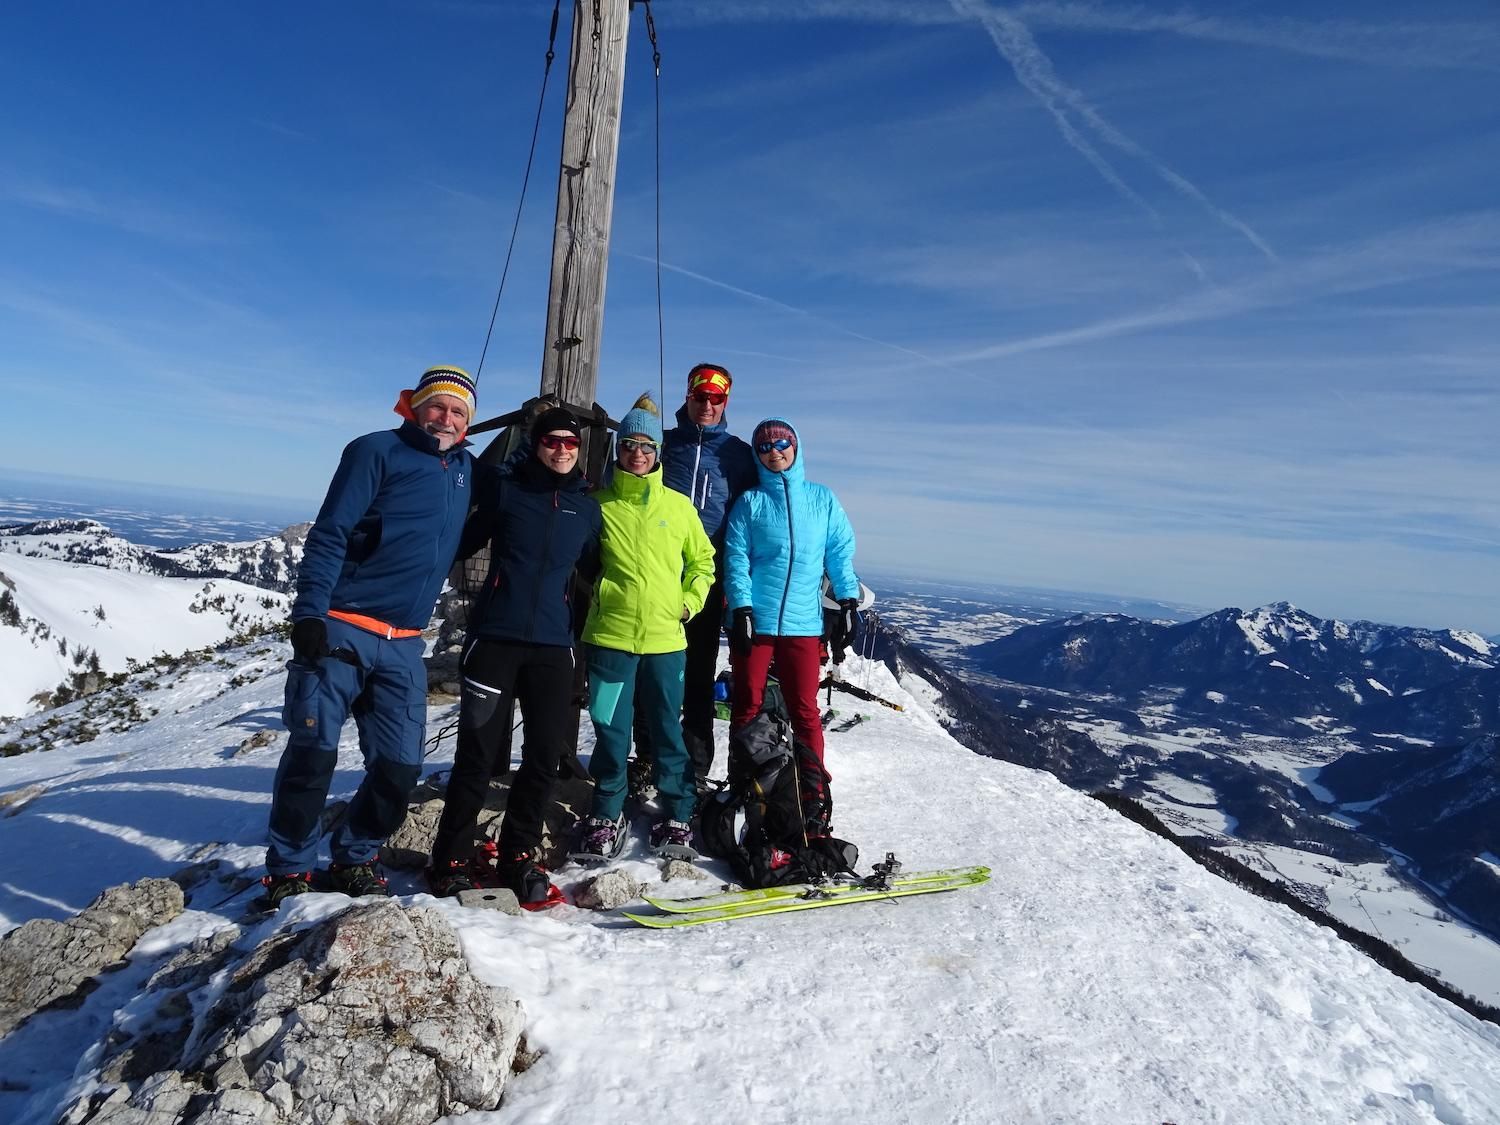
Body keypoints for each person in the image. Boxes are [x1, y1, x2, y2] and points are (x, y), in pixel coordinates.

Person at [263, 365, 477, 905]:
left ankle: (354, 856)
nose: (446, 418)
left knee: (401, 766)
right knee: (313, 754)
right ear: (414, 407)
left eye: (458, 412)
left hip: (405, 641)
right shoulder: (374, 450)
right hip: (343, 628)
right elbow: (331, 531)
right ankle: (288, 868)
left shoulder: (466, 469)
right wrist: (310, 613)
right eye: (437, 407)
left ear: (468, 423)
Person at [425, 406, 601, 906]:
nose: (563, 449)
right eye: (553, 441)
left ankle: (518, 854)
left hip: (552, 647)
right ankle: (452, 859)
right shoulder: (507, 489)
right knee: (477, 755)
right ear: (537, 443)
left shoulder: (587, 509)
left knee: (545, 756)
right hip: (495, 640)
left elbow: (596, 572)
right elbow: (457, 544)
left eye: (571, 442)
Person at [577, 394, 716, 859]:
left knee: (665, 729)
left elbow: (703, 562)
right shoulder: (598, 506)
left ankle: (678, 811)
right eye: (630, 444)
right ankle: (605, 811)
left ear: (658, 453)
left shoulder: (678, 508)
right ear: (617, 449)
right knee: (610, 731)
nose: (638, 453)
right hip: (610, 638)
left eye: (647, 446)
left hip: (665, 640)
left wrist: (689, 602)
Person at [723, 418, 861, 839]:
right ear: (756, 455)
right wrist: (742, 608)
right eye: (764, 446)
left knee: (804, 709)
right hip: (758, 621)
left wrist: (848, 598)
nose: (774, 451)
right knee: (747, 703)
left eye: (782, 442)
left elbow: (838, 551)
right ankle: (748, 783)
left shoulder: (821, 499)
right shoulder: (750, 503)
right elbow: (736, 558)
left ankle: (812, 793)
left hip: (803, 623)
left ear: (796, 448)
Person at [645, 363, 757, 784]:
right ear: (687, 396)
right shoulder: (664, 444)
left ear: (726, 402)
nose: (707, 405)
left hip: (706, 582)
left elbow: (750, 520)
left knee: (696, 675)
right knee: (652, 674)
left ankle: (692, 768)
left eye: (716, 398)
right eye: (700, 396)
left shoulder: (738, 455)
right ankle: (649, 758)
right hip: (655, 575)